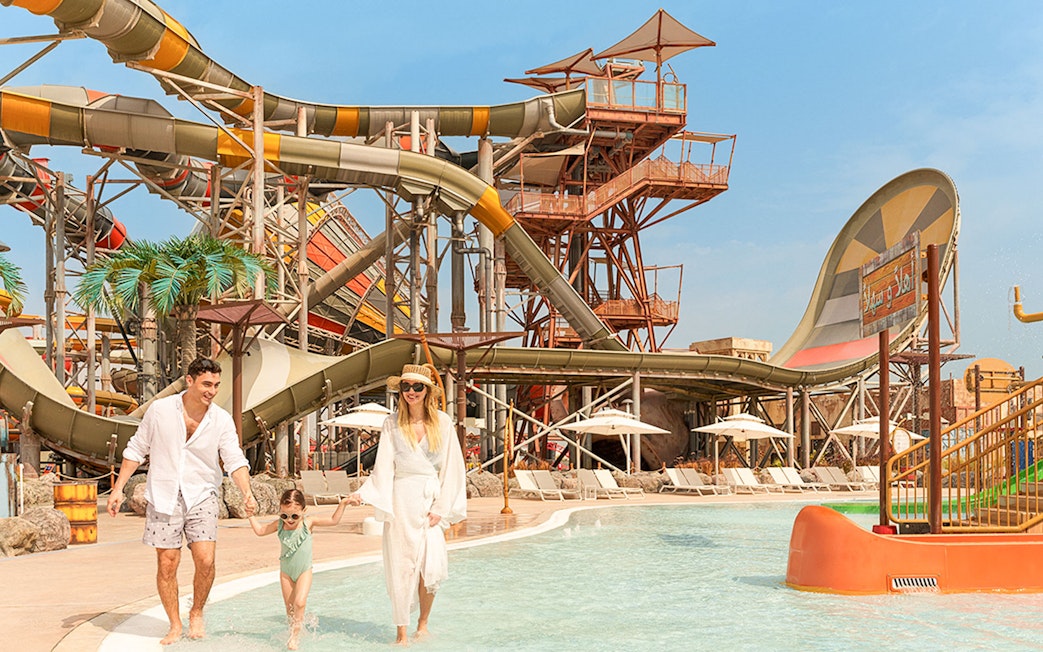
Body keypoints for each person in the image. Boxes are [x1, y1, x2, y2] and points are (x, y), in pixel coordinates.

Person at [106, 357, 257, 646]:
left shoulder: (221, 419)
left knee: (206, 559)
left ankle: (197, 611)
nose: (212, 391)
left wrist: (247, 493)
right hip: (164, 494)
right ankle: (174, 624)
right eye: (206, 384)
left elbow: (234, 459)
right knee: (167, 564)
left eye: (216, 385)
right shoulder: (161, 410)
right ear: (189, 381)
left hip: (201, 493)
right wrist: (118, 489)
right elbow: (137, 448)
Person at [347, 363, 467, 645]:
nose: (411, 392)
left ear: (428, 391)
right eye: (406, 386)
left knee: (430, 567)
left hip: (430, 504)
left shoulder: (443, 423)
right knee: (401, 567)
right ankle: (401, 632)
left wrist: (441, 507)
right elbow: (383, 468)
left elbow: (453, 468)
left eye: (417, 387)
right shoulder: (391, 423)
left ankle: (422, 624)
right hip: (401, 503)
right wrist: (363, 494)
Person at [248, 489, 353, 650]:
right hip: (286, 573)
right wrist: (250, 515)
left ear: (303, 511)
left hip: (304, 570)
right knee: (290, 609)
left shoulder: (308, 523)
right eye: (284, 515)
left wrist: (343, 503)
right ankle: (294, 631)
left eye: (294, 516)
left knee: (300, 602)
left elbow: (333, 520)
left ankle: (295, 638)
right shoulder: (279, 525)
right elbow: (260, 531)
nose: (289, 520)